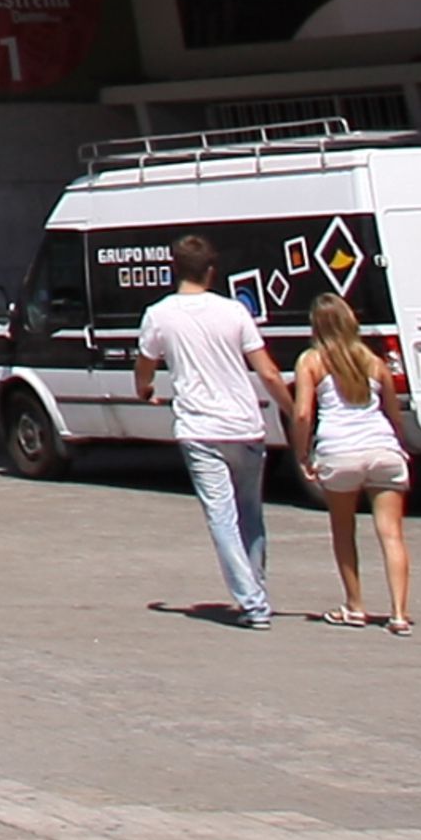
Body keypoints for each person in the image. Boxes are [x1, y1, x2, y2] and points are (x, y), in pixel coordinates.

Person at [132, 231, 291, 626]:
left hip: (200, 429)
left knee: (221, 516)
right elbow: (267, 370)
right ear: (211, 271)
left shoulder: (159, 314)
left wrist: (144, 389)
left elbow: (145, 364)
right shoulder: (234, 312)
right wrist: (293, 410)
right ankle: (257, 590)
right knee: (250, 512)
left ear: (174, 270)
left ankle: (253, 603)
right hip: (244, 424)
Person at [289, 294, 415, 632]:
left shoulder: (312, 361)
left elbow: (302, 413)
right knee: (392, 535)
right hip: (382, 449)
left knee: (344, 531)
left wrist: (301, 453)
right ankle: (400, 614)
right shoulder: (375, 362)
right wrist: (401, 447)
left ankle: (355, 606)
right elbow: (394, 415)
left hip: (339, 451)